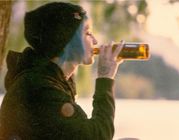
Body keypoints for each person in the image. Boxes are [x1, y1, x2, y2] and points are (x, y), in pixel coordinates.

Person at [0, 2, 124, 140]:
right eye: (87, 33)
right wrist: (106, 76)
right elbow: (98, 136)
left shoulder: (50, 81)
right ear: (65, 39)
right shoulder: (41, 90)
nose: (95, 41)